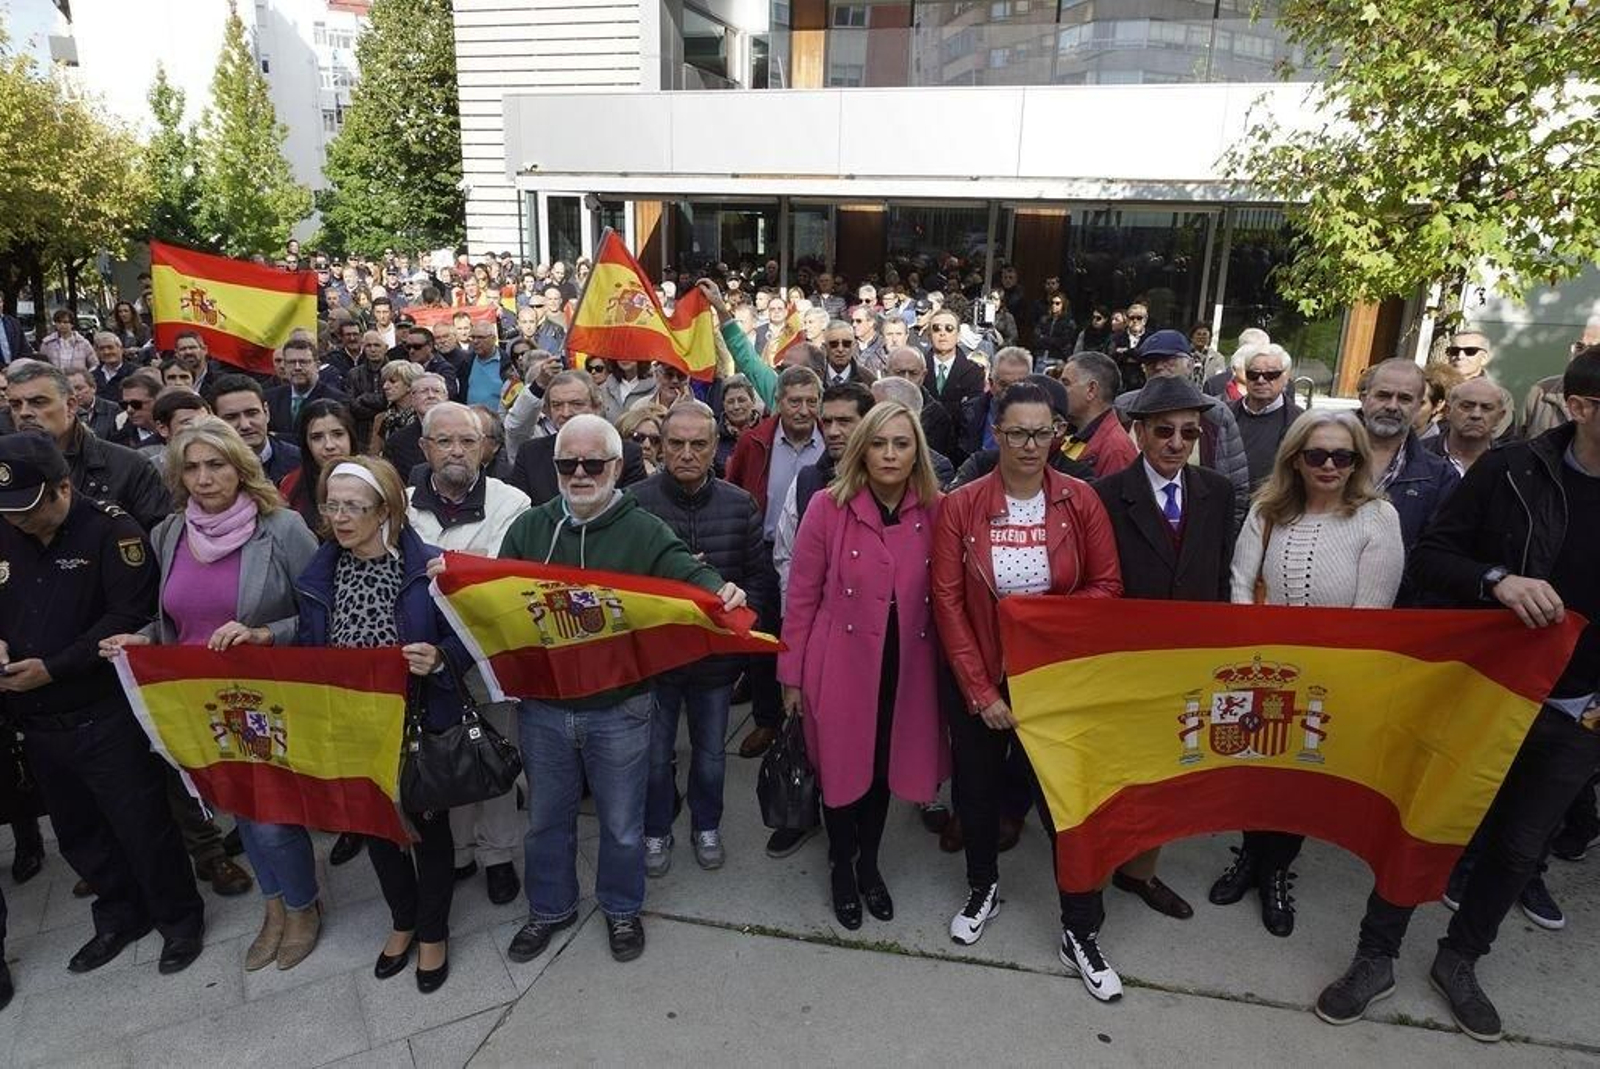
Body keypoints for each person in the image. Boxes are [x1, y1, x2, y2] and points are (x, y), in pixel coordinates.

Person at [1314, 347, 1600, 1042]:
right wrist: (1498, 580)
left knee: (1519, 849)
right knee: (1428, 819)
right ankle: (1376, 954)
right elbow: (1433, 558)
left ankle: (1461, 959)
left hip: (1578, 710)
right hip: (1484, 692)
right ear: (1581, 407)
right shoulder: (1512, 471)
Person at [497, 415, 749, 967]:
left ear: (615, 466)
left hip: (620, 707)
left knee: (621, 824)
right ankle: (550, 908)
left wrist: (720, 591)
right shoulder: (530, 529)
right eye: (568, 463)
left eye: (593, 463)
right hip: (546, 708)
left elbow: (685, 572)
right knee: (545, 821)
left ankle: (620, 907)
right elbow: (496, 594)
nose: (580, 473)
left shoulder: (644, 530)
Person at [99, 417, 322, 971]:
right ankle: (274, 905)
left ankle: (303, 906)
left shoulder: (282, 528)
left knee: (272, 818)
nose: (203, 478)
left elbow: (322, 613)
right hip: (201, 704)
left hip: (268, 698)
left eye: (216, 465)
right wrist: (143, 638)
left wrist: (265, 633)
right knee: (240, 814)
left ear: (240, 468)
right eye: (191, 468)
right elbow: (174, 619)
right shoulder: (169, 533)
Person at [931, 381, 1125, 1001]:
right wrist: (980, 690)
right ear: (997, 433)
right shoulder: (961, 506)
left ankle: (1080, 927)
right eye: (1017, 432)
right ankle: (982, 887)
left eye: (1043, 432)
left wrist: (1040, 622)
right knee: (978, 792)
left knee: (1066, 804)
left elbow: (1107, 587)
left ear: (1058, 434)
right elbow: (948, 603)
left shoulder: (1080, 499)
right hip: (983, 676)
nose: (1030, 445)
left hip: (1056, 681)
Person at [0, 435, 207, 977]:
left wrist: (55, 667)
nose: (17, 520)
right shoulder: (6, 528)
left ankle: (179, 919)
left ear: (62, 488)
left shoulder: (113, 532)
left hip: (103, 712)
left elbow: (127, 616)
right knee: (78, 832)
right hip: (36, 720)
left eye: (28, 508)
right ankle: (119, 915)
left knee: (142, 825)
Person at [1208, 410, 1404, 938]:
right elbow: (1241, 584)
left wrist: (1334, 676)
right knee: (1254, 771)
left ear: (1357, 462)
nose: (1329, 465)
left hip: (1327, 681)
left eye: (1343, 456)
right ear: (1295, 458)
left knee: (1298, 782)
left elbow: (1371, 615)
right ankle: (1249, 857)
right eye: (1317, 454)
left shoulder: (1377, 518)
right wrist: (1251, 659)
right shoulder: (1267, 510)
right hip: (1261, 672)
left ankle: (1276, 871)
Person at [294, 456, 467, 994]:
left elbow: (470, 634)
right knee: (375, 828)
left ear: (385, 509)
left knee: (428, 831)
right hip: (353, 727)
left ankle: (433, 931)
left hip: (417, 725)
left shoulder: (429, 567)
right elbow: (308, 642)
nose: (340, 518)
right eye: (332, 506)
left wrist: (441, 657)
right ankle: (403, 919)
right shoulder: (321, 572)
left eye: (354, 507)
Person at [781, 402, 947, 929]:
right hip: (841, 662)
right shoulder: (828, 507)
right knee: (840, 767)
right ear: (862, 450)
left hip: (907, 665)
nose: (890, 454)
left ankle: (869, 863)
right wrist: (791, 676)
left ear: (917, 452)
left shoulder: (936, 510)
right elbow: (801, 597)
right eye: (879, 443)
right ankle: (840, 865)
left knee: (881, 770)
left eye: (901, 443)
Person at [1094, 376, 1236, 921]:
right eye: (1164, 431)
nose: (1177, 443)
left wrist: (1215, 650)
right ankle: (1096, 869)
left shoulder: (1216, 491)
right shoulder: (1106, 494)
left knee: (1168, 773)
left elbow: (1219, 575)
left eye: (1189, 432)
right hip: (1125, 662)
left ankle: (1141, 871)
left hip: (1188, 663)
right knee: (1115, 772)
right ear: (1140, 432)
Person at [631, 401, 774, 876]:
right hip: (657, 660)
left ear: (715, 447)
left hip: (715, 663)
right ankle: (656, 829)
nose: (687, 453)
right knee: (655, 758)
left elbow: (759, 580)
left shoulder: (739, 504)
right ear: (660, 446)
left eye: (698, 444)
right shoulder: (634, 503)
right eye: (676, 443)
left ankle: (706, 824)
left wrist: (740, 617)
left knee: (711, 756)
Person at [406, 402, 531, 907]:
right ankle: (458, 852)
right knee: (443, 755)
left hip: (487, 655)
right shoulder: (401, 503)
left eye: (468, 441)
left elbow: (501, 576)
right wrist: (462, 566)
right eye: (444, 441)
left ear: (486, 448)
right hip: (424, 656)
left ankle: (499, 855)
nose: (456, 451)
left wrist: (442, 567)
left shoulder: (512, 501)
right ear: (425, 448)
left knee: (493, 754)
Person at [724, 366, 824, 767]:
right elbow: (734, 488)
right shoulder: (754, 441)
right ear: (778, 402)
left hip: (818, 558)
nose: (803, 410)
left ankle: (810, 718)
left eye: (811, 401)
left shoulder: (834, 440)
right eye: (794, 401)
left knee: (810, 639)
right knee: (764, 638)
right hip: (764, 553)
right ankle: (767, 719)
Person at [4, 360, 171, 529]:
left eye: (38, 402)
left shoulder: (129, 466)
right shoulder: (6, 466)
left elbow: (158, 535)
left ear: (70, 406)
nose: (24, 413)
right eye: (15, 405)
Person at [1116, 331, 1251, 532]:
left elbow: (1236, 486)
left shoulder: (1216, 414)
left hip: (1200, 530)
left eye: (1168, 361)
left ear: (1190, 365)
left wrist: (1223, 537)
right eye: (1152, 362)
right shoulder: (1123, 409)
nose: (1159, 367)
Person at [773, 383, 874, 601]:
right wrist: (794, 608)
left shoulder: (887, 483)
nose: (833, 432)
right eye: (827, 422)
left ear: (868, 424)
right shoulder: (806, 481)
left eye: (844, 422)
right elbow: (786, 555)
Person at [1357, 359, 1460, 555]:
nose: (1392, 406)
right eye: (1383, 395)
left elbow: (1435, 552)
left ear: (1418, 406)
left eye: (1404, 399)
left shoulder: (1440, 477)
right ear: (1364, 398)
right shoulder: (1323, 456)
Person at [507, 371, 647, 505]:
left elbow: (632, 507)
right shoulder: (530, 454)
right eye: (557, 405)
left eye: (576, 404)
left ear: (597, 407)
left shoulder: (627, 454)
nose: (566, 413)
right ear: (548, 411)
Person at [1231, 345, 1305, 489]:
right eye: (1253, 374)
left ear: (1285, 377)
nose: (1260, 380)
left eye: (1271, 375)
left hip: (1275, 499)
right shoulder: (1225, 414)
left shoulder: (1300, 422)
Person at [212, 374, 302, 484]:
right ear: (216, 421)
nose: (245, 425)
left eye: (252, 413)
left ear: (266, 412)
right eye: (231, 417)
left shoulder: (300, 463)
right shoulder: (207, 470)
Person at [280, 399, 356, 529]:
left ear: (350, 437)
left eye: (338, 434)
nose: (329, 445)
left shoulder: (375, 479)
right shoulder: (290, 484)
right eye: (317, 438)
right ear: (306, 444)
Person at [1060, 351, 1136, 479]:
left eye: (1066, 383)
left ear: (1091, 389)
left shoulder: (1116, 451)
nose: (1060, 390)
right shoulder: (1067, 434)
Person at [883, 345, 957, 460]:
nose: (906, 379)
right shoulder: (871, 406)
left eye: (913, 373)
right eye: (899, 373)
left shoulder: (936, 416)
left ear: (923, 376)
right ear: (886, 373)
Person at [926, 308, 986, 446]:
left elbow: (972, 416)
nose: (942, 333)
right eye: (936, 328)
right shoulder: (917, 368)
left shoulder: (974, 372)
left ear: (958, 335)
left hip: (958, 445)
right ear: (929, 335)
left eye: (949, 328)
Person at [267, 338, 349, 438]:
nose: (297, 367)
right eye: (291, 362)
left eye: (303, 362)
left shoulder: (337, 400)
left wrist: (279, 436)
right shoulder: (270, 398)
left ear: (317, 366)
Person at [1427, 377, 1508, 475]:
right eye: (1466, 407)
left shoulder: (1509, 464)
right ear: (1448, 411)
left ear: (1500, 416)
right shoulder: (1417, 454)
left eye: (1486, 408)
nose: (1476, 415)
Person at [383, 373, 449, 479]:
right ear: (412, 398)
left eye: (436, 391)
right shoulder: (397, 442)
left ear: (446, 397)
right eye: (424, 391)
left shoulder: (464, 433)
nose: (431, 395)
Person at [370, 360, 423, 456]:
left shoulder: (424, 418)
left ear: (409, 385)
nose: (385, 386)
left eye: (393, 381)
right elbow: (373, 456)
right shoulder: (381, 419)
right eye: (384, 382)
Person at [715, 374, 762, 476]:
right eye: (730, 402)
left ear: (753, 401)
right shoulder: (714, 436)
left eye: (741, 400)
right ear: (723, 404)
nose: (736, 407)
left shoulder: (766, 433)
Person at [111, 372, 164, 450]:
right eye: (124, 405)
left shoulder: (175, 432)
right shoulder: (118, 441)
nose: (129, 410)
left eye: (136, 404)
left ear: (156, 401)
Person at [66, 367, 121, 441]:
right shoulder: (64, 412)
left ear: (93, 388)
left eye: (79, 389)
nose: (75, 394)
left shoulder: (114, 410)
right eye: (70, 390)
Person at [615, 404, 667, 477]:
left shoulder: (669, 476)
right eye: (638, 437)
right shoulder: (605, 474)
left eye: (655, 440)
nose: (647, 445)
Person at [1034, 294, 1076, 369]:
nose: (1054, 305)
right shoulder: (1044, 319)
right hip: (1041, 356)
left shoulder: (1069, 322)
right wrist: (1051, 340)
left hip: (1058, 358)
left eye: (1057, 303)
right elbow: (1036, 337)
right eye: (1052, 303)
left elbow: (1063, 341)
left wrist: (1044, 338)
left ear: (1063, 305)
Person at [90, 333, 135, 401]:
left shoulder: (135, 373)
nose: (106, 352)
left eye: (110, 347)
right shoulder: (92, 376)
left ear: (121, 349)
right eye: (101, 349)